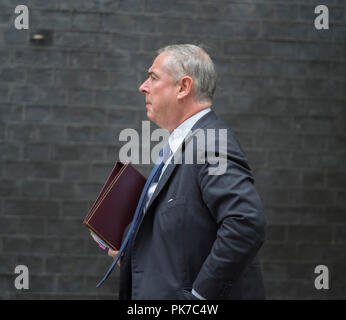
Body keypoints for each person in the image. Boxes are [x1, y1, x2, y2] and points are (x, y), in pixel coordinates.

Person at [108, 44, 266, 300]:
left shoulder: (210, 145)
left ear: (183, 87)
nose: (143, 86)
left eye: (153, 77)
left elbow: (245, 224)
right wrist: (131, 247)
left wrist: (199, 298)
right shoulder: (183, 145)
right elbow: (183, 235)